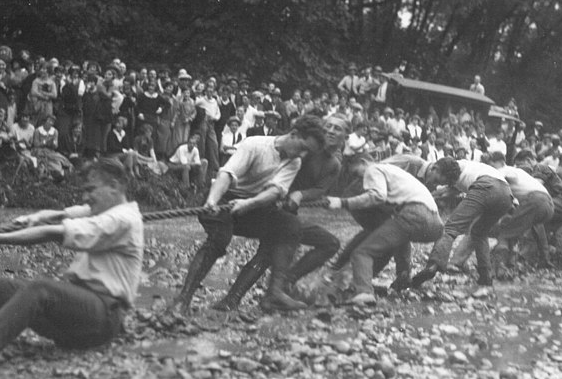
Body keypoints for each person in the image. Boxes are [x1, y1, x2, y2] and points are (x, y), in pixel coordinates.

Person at [0, 159, 143, 367]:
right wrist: (38, 216)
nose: (85, 197)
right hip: (75, 317)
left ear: (114, 186)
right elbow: (66, 214)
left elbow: (53, 233)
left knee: (40, 289)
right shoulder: (104, 210)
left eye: (90, 190)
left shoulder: (121, 219)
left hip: (103, 319)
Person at [170, 116, 326, 314]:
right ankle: (183, 299)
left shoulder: (294, 162)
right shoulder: (255, 144)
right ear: (294, 134)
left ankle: (252, 296)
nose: (303, 154)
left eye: (308, 152)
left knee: (289, 226)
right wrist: (212, 201)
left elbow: (275, 192)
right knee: (219, 239)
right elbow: (226, 174)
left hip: (252, 205)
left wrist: (248, 204)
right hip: (222, 198)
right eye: (303, 147)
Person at [210, 114, 347, 313]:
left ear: (346, 137)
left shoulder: (334, 164)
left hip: (288, 209)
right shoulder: (304, 149)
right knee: (268, 250)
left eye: (338, 129)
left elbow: (320, 189)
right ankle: (241, 298)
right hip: (267, 202)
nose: (331, 131)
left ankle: (282, 284)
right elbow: (275, 167)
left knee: (329, 243)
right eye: (328, 127)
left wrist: (300, 194)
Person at [327, 156, 444, 305]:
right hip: (435, 223)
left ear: (363, 162)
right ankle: (401, 276)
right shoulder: (396, 171)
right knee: (388, 239)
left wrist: (342, 202)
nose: (359, 178)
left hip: (412, 214)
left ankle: (363, 292)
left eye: (356, 173)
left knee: (363, 251)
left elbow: (377, 196)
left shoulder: (373, 169)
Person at [411, 157, 514, 287]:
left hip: (486, 186)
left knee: (450, 228)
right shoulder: (459, 169)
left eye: (437, 179)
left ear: (435, 168)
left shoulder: (454, 167)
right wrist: (432, 196)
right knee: (479, 232)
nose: (438, 183)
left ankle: (433, 265)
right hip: (506, 194)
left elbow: (446, 191)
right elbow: (446, 191)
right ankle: (485, 277)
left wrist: (427, 196)